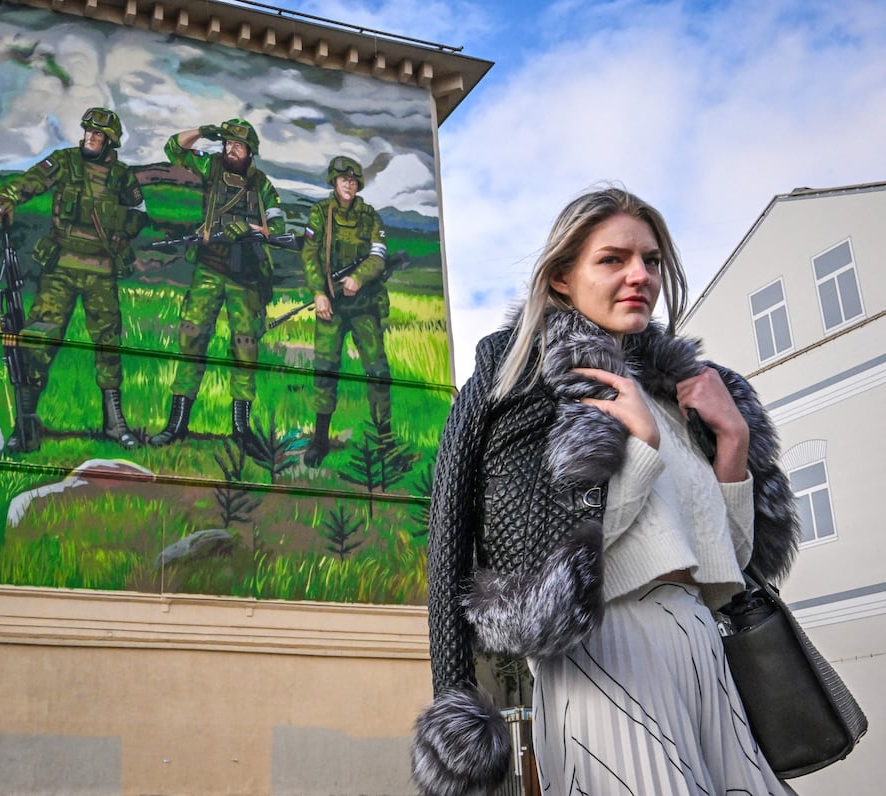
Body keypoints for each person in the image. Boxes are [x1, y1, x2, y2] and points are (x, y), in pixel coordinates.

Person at [412, 187, 800, 796]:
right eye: (613, 259)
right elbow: (539, 570)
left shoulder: (682, 392)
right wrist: (639, 446)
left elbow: (733, 563)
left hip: (702, 647)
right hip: (607, 652)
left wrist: (732, 441)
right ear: (562, 278)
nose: (639, 275)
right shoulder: (532, 377)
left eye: (651, 260)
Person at [0, 107, 147, 453]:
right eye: (88, 131)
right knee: (39, 338)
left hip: (101, 270)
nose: (90, 138)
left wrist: (122, 233)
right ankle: (25, 425)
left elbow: (138, 212)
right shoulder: (66, 162)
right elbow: (31, 181)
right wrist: (6, 198)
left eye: (98, 135)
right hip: (61, 266)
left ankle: (115, 423)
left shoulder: (121, 176)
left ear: (110, 142)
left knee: (108, 345)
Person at [149, 119, 285, 450]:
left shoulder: (261, 184)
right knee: (192, 339)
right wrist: (201, 131)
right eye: (226, 144)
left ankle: (241, 430)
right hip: (209, 268)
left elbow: (278, 225)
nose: (229, 149)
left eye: (237, 145)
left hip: (246, 276)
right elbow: (173, 148)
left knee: (244, 348)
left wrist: (249, 228)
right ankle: (177, 424)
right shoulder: (210, 167)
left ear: (250, 150)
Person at [300, 156, 391, 466]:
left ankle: (384, 441)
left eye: (353, 180)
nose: (348, 184)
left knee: (378, 372)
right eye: (343, 180)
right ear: (334, 182)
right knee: (325, 371)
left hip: (364, 305)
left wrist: (358, 277)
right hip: (331, 305)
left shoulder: (370, 217)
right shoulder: (319, 214)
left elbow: (379, 257)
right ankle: (320, 441)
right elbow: (310, 255)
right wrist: (318, 293)